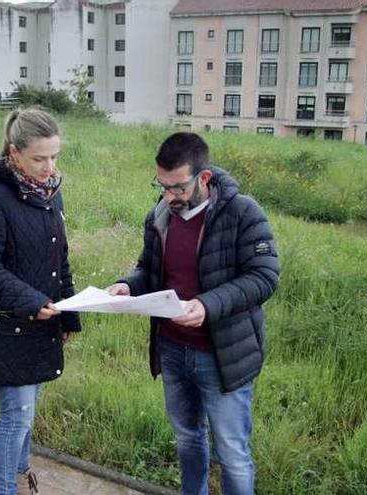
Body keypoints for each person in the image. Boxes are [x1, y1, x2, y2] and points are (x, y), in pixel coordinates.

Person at [107, 132, 280, 495]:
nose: (170, 196)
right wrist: (129, 285)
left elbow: (264, 277)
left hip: (221, 355)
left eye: (178, 188)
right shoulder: (160, 213)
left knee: (232, 452)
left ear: (203, 177)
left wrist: (207, 305)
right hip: (172, 349)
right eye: (163, 186)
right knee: (187, 439)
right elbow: (149, 269)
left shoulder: (243, 213)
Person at [0, 107, 81, 495]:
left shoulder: (50, 193)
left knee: (26, 416)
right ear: (14, 152)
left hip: (44, 322)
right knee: (16, 416)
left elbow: (58, 258)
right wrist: (32, 301)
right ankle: (5, 489)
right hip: (7, 325)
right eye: (39, 158)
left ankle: (20, 474)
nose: (49, 166)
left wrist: (68, 318)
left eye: (54, 156)